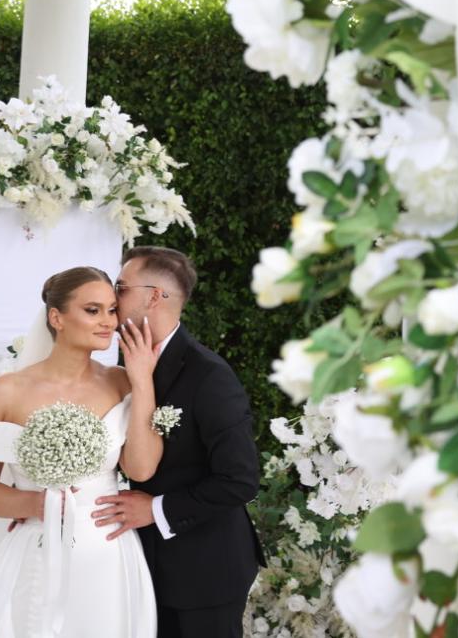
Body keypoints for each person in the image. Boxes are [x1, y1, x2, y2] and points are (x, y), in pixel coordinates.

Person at [0, 266, 160, 638]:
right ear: (56, 318)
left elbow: (140, 469)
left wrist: (143, 382)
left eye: (111, 310)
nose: (108, 321)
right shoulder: (8, 390)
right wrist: (34, 505)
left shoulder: (121, 381)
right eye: (92, 310)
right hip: (37, 550)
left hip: (108, 551)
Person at [92, 246, 264, 638]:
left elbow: (239, 480)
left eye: (121, 287)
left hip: (207, 571)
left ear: (155, 296)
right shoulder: (125, 366)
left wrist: (155, 509)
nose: (112, 297)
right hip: (143, 564)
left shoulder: (210, 376)